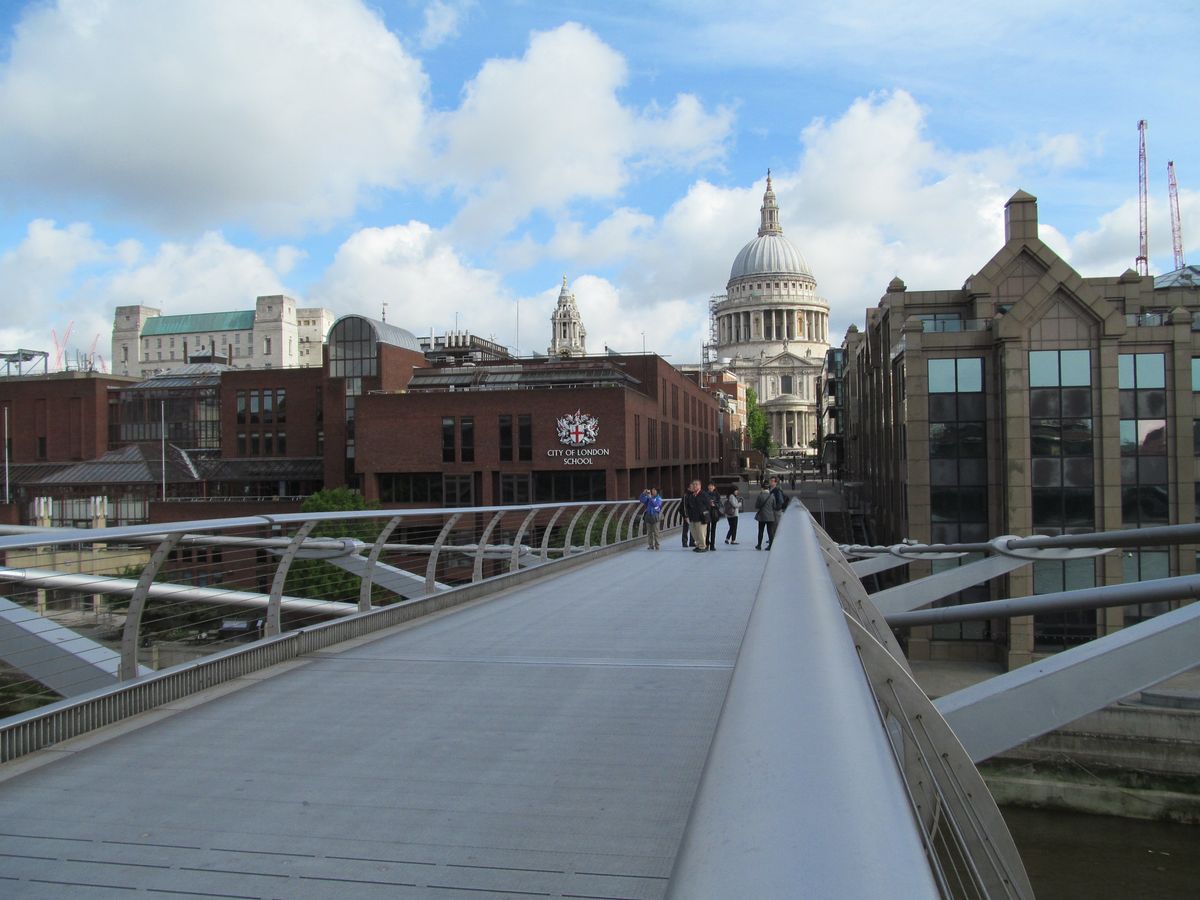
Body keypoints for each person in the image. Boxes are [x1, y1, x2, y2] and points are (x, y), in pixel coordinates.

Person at [683, 479, 710, 552]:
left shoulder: (703, 494)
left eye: (696, 484)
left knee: (701, 533)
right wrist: (687, 516)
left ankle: (702, 546)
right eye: (693, 484)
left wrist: (703, 512)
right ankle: (698, 545)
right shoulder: (692, 495)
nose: (694, 486)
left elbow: (708, 505)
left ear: (700, 486)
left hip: (701, 518)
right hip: (692, 517)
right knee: (694, 533)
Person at [754, 482, 780, 550]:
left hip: (762, 516)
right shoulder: (772, 496)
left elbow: (757, 506)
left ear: (762, 488)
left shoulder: (760, 496)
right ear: (768, 488)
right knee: (770, 532)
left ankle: (759, 545)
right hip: (770, 516)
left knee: (761, 531)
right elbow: (774, 506)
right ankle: (770, 545)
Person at [704, 481, 721, 550]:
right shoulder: (705, 494)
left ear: (714, 487)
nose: (711, 487)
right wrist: (708, 504)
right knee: (707, 530)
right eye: (709, 485)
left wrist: (714, 504)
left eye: (712, 486)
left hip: (714, 513)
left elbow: (720, 504)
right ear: (708, 487)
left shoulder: (717, 494)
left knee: (713, 530)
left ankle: (712, 545)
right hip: (707, 513)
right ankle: (707, 544)